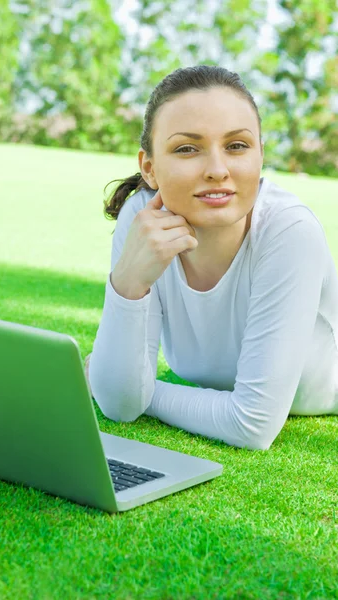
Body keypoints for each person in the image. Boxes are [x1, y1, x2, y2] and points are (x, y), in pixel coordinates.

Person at [85, 65, 338, 450]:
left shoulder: (289, 231)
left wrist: (145, 393)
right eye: (187, 148)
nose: (218, 170)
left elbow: (252, 424)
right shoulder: (142, 221)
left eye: (237, 146)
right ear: (149, 168)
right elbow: (118, 404)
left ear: (260, 156)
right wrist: (129, 282)